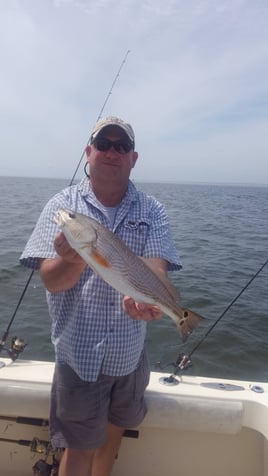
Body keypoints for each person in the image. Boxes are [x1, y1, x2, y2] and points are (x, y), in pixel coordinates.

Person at [20, 115, 182, 476]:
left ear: (133, 158)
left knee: (110, 442)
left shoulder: (152, 210)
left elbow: (156, 269)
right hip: (79, 358)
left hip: (129, 357)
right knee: (77, 452)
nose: (112, 152)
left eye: (121, 146)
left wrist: (152, 301)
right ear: (88, 151)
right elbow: (50, 280)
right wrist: (74, 259)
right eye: (104, 144)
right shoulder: (61, 206)